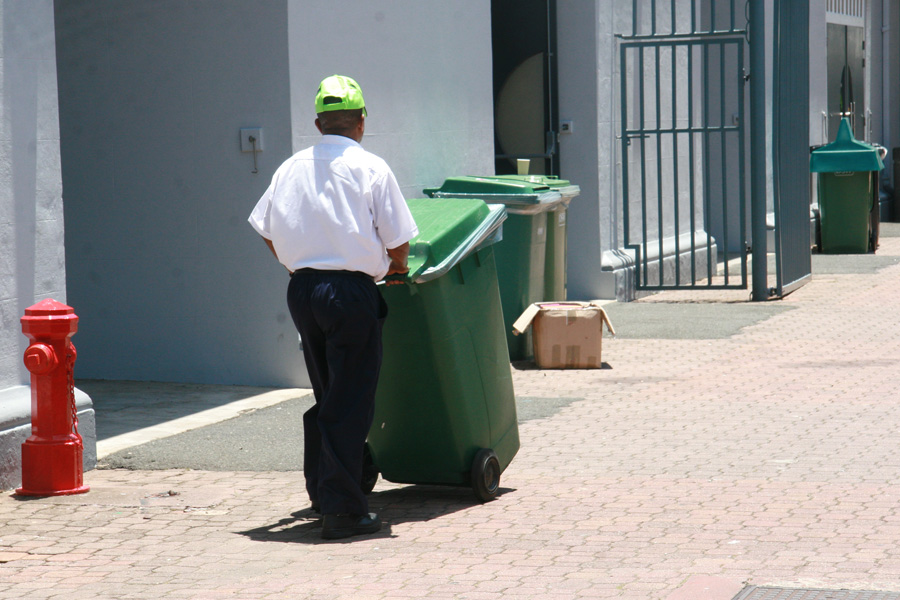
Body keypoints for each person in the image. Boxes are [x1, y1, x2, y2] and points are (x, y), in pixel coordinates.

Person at [248, 74, 418, 540]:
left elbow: (263, 225)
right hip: (350, 293)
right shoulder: (371, 168)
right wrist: (396, 268)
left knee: (329, 393)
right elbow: (399, 240)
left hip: (303, 291)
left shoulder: (290, 167)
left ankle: (325, 492)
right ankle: (343, 510)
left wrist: (293, 261)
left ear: (319, 123)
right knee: (350, 400)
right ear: (361, 122)